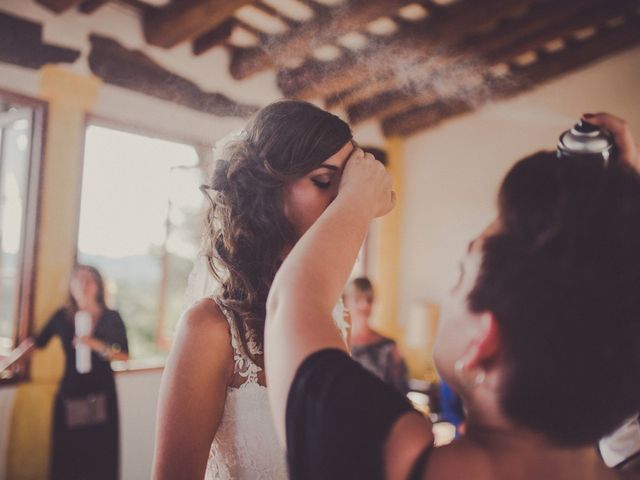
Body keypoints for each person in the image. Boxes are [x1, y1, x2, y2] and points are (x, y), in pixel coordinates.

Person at [264, 112, 640, 480]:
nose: (451, 288)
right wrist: (619, 218)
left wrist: (358, 196)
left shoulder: (391, 459)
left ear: (483, 343)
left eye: (461, 275)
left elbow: (292, 302)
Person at [152, 100, 357, 480]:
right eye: (324, 181)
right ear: (270, 189)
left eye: (347, 187)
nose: (342, 203)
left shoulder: (332, 314)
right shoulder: (210, 329)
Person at [5, 264, 129, 480]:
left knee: (100, 455)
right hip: (70, 393)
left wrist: (94, 344)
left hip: (102, 395)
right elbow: (35, 343)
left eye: (89, 279)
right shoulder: (62, 317)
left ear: (98, 285)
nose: (83, 284)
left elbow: (124, 355)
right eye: (78, 279)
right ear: (71, 286)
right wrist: (7, 364)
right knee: (69, 455)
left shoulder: (111, 317)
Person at [344, 276, 409, 394]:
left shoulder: (389, 347)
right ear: (346, 301)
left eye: (369, 299)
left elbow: (400, 393)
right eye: (358, 299)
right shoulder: (338, 345)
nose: (365, 305)